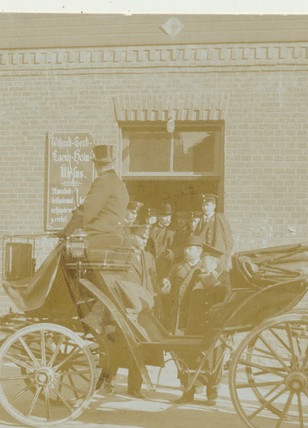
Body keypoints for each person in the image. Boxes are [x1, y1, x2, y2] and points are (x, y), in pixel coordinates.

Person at [100, 223, 156, 399]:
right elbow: (114, 285)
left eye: (146, 236)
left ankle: (134, 388)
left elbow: (151, 282)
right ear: (132, 238)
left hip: (143, 310)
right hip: (124, 310)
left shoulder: (149, 257)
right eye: (141, 236)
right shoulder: (122, 257)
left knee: (140, 349)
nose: (145, 239)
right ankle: (107, 381)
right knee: (117, 347)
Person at [174, 243, 231, 405]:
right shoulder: (197, 273)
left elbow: (224, 296)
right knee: (190, 358)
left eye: (205, 261)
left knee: (213, 361)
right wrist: (184, 321)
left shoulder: (225, 276)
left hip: (214, 326)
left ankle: (211, 394)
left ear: (214, 262)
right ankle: (188, 392)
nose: (201, 264)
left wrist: (209, 280)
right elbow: (186, 297)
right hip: (194, 324)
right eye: (202, 261)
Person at [60, 145, 130, 250]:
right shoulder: (120, 184)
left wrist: (67, 231)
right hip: (116, 234)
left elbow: (86, 211)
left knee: (62, 253)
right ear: (112, 164)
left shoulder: (103, 181)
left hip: (99, 236)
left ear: (96, 164)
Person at [160, 235, 204, 335]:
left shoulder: (204, 268)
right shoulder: (176, 267)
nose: (186, 251)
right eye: (185, 248)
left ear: (199, 251)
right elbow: (167, 289)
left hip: (196, 314)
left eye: (189, 249)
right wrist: (165, 283)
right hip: (179, 313)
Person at [195, 193, 234, 267]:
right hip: (203, 256)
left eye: (208, 205)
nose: (205, 208)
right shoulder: (200, 221)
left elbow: (229, 240)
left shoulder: (221, 220)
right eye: (203, 205)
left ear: (214, 206)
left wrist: (225, 255)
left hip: (216, 257)